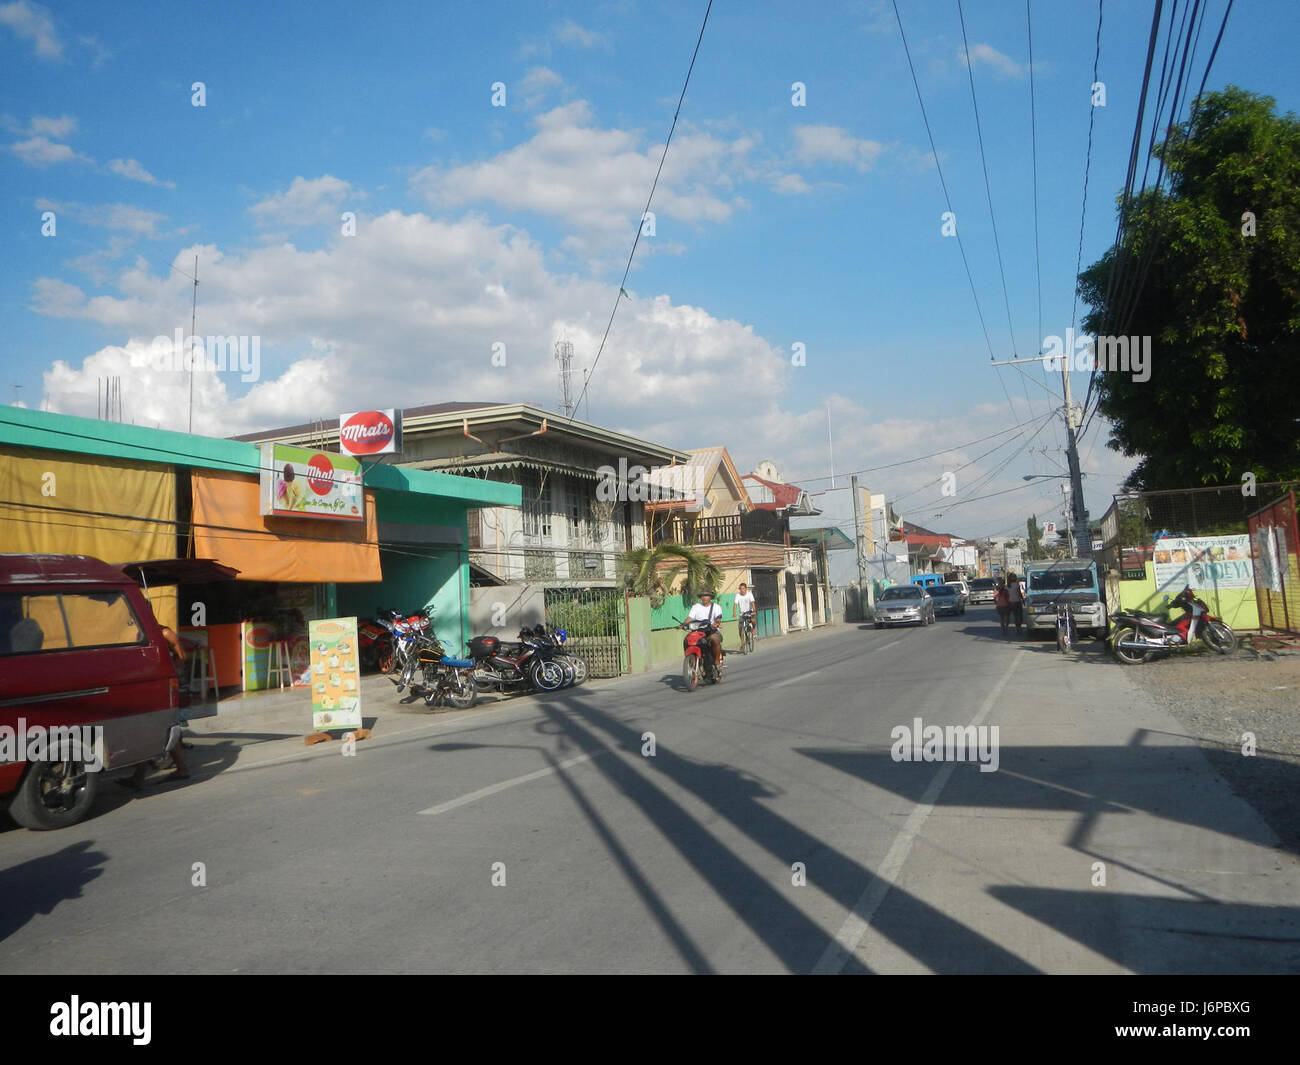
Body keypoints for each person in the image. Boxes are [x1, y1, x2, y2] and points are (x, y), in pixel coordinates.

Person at [119, 624, 190, 790]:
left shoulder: (165, 633)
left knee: (156, 727)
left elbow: (182, 656)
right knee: (154, 728)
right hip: (151, 684)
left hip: (163, 684)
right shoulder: (142, 633)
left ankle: (178, 769)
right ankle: (143, 775)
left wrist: (171, 672)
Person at [683, 589, 723, 670]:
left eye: (707, 596)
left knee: (714, 640)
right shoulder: (696, 607)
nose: (704, 597)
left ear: (710, 597)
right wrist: (682, 625)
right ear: (700, 597)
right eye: (703, 596)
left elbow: (718, 618)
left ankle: (717, 661)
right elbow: (689, 618)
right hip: (698, 632)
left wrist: (716, 624)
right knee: (686, 639)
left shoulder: (716, 607)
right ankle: (691, 659)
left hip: (711, 631)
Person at [1005, 570, 1026, 635]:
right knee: (1018, 616)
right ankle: (1018, 629)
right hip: (1017, 602)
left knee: (1012, 616)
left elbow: (1006, 595)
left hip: (1010, 603)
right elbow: (1019, 593)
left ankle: (1007, 629)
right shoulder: (1017, 585)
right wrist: (1023, 600)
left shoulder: (1007, 586)